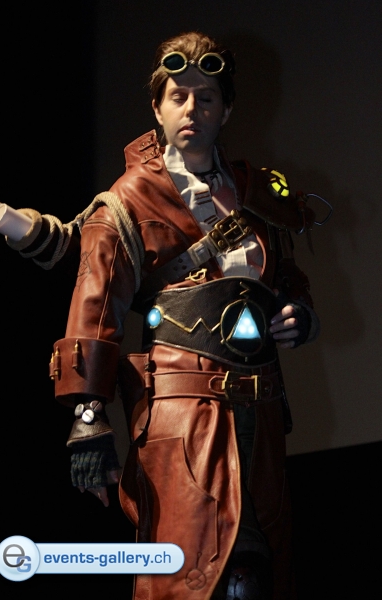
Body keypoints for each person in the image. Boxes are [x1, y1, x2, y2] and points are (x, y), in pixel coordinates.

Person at [21, 31, 321, 600]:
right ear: (157, 109)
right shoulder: (129, 200)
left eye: (206, 98)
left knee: (259, 574)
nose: (192, 109)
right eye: (178, 97)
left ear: (225, 110)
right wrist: (87, 416)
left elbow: (286, 280)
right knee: (188, 577)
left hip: (261, 411)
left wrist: (300, 315)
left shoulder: (258, 194)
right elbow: (96, 304)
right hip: (182, 413)